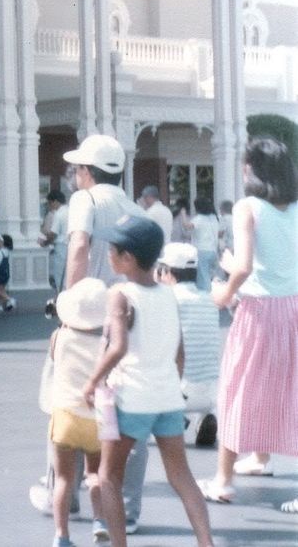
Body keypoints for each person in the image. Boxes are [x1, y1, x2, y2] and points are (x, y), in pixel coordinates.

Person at [32, 134, 148, 535]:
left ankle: (62, 494)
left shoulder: (86, 200)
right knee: (119, 411)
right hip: (124, 317)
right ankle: (123, 507)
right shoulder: (135, 210)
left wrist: (68, 301)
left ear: (86, 172)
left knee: (66, 400)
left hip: (86, 319)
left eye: (77, 169)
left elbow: (79, 246)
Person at [81, 215, 215, 547]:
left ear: (127, 258)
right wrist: (168, 384)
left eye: (112, 249)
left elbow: (118, 347)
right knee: (182, 477)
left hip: (132, 399)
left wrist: (92, 381)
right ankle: (206, 542)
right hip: (168, 397)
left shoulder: (120, 294)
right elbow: (180, 353)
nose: (108, 254)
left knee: (109, 477)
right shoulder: (169, 295)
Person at [197, 136, 297, 504]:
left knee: (239, 387)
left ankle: (222, 480)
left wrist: (223, 292)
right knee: (289, 388)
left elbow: (244, 265)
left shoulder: (247, 207)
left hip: (260, 311)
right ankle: (259, 456)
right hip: (293, 306)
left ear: (252, 169)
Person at [47, 278, 110, 547]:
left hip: (65, 415)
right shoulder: (107, 344)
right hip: (96, 418)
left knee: (63, 478)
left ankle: (62, 536)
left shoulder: (59, 336)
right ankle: (100, 521)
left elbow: (53, 359)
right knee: (94, 474)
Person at [156, 242, 221, 447]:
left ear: (166, 272)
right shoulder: (210, 300)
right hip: (211, 394)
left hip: (177, 393)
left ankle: (170, 416)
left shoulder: (168, 299)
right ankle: (206, 416)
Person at [181, 197, 219, 292]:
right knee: (210, 275)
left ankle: (206, 296)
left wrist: (183, 214)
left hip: (202, 251)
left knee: (203, 277)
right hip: (213, 250)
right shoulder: (214, 218)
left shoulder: (199, 219)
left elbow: (187, 226)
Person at [39, 190, 69, 293]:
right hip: (71, 246)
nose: (49, 206)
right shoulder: (71, 211)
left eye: (49, 203)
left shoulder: (59, 214)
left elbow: (53, 234)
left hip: (61, 247)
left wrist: (44, 242)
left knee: (60, 276)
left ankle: (61, 299)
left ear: (55, 201)